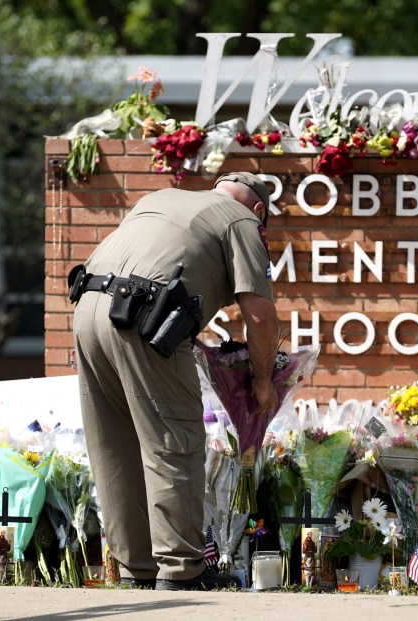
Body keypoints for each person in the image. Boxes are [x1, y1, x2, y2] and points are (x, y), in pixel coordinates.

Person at [71, 172, 279, 591]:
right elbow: (259, 315)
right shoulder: (241, 221)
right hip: (144, 318)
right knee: (174, 440)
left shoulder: (158, 197)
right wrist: (262, 380)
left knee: (115, 444)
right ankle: (183, 569)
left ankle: (136, 567)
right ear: (259, 210)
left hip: (86, 309)